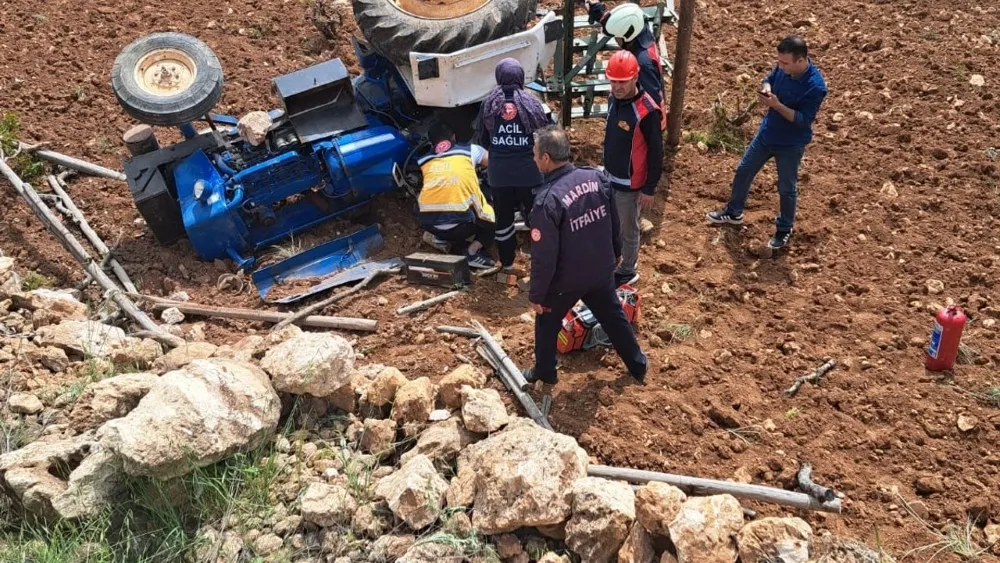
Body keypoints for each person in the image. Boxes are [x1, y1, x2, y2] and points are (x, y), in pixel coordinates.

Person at [524, 125, 648, 386]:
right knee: (613, 316)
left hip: (565, 281)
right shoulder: (596, 178)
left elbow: (544, 256)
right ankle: (637, 365)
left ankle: (545, 373)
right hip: (600, 269)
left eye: (535, 155)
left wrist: (537, 294)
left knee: (546, 324)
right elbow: (614, 222)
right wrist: (615, 255)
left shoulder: (547, 201)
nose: (533, 159)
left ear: (546, 158)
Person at [706, 35, 828, 250]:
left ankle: (784, 228)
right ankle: (733, 212)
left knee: (786, 188)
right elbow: (768, 78)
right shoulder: (783, 68)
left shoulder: (815, 87)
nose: (780, 66)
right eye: (779, 62)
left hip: (790, 144)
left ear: (801, 61)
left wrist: (777, 105)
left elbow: (802, 120)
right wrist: (767, 88)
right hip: (767, 134)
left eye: (785, 63)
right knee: (744, 170)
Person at [478, 58, 550, 270]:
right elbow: (546, 134)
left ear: (499, 77)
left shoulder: (488, 104)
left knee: (504, 220)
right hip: (530, 174)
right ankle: (542, 263)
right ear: (520, 77)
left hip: (499, 176)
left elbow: (482, 140)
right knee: (537, 219)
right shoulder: (532, 103)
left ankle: (507, 264)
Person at [602, 50, 663, 287]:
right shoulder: (613, 100)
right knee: (612, 223)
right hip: (610, 176)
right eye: (613, 81)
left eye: (622, 82)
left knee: (628, 228)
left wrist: (649, 187)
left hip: (630, 184)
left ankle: (627, 269)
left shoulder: (647, 111)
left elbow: (657, 153)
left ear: (635, 78)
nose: (617, 87)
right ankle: (614, 259)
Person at [416, 121, 497, 269]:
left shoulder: (424, 161)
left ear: (432, 143)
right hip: (461, 228)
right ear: (453, 137)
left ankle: (441, 239)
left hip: (430, 226)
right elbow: (495, 162)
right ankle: (471, 253)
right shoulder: (469, 150)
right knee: (491, 212)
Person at [588, 1, 667, 128]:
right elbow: (623, 24)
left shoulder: (642, 63)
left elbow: (651, 103)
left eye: (617, 37)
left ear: (628, 36)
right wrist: (599, 13)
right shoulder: (641, 34)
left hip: (644, 127)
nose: (616, 40)